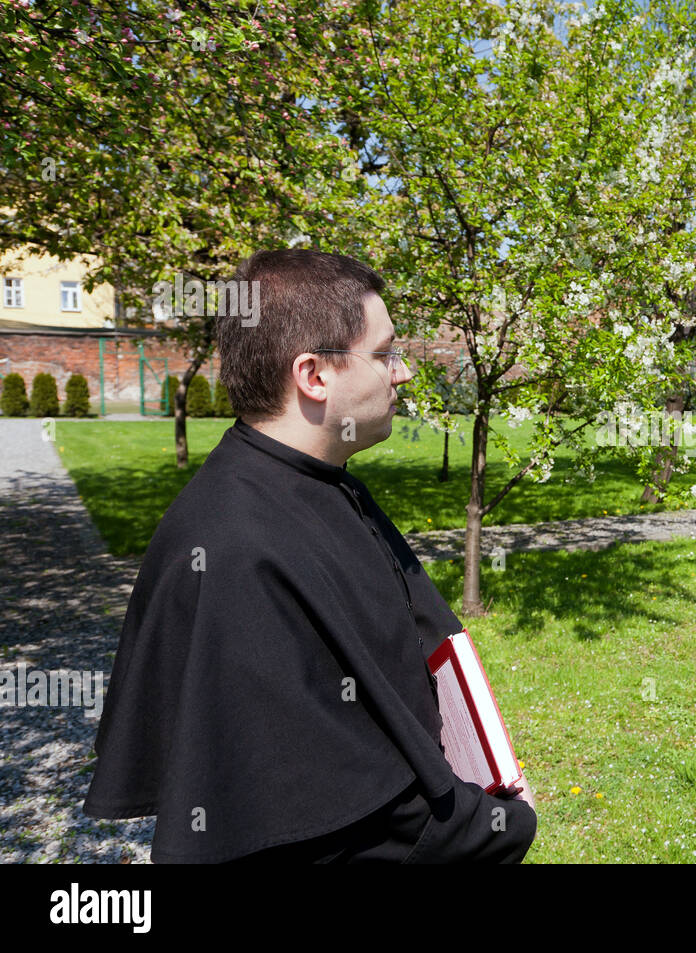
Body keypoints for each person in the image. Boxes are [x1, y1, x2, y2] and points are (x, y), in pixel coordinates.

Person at [82, 249, 537, 863]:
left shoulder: (315, 480)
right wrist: (499, 827)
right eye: (383, 354)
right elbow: (332, 818)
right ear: (314, 375)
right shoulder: (235, 549)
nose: (401, 374)